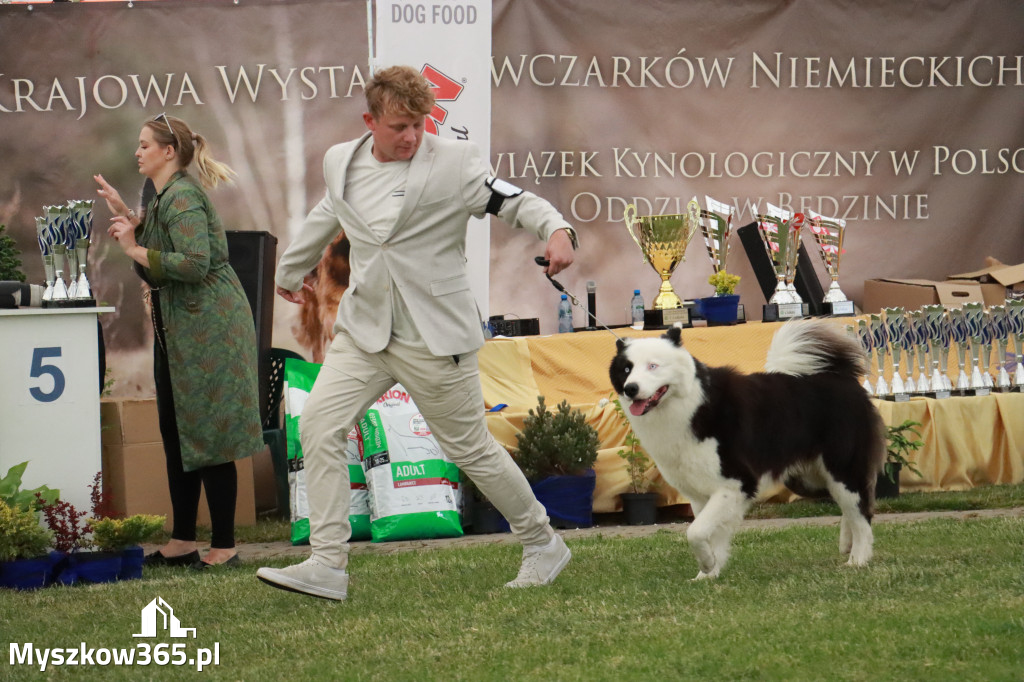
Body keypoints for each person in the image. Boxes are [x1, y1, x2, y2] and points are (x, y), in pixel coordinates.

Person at [256, 65, 578, 600]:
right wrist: (291, 271)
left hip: (433, 337)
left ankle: (542, 541)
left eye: (419, 125)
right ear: (370, 120)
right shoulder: (341, 161)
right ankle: (328, 564)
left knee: (471, 450)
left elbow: (514, 200)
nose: (411, 136)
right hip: (364, 332)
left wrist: (558, 229)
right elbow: (328, 212)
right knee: (318, 425)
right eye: (399, 126)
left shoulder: (454, 163)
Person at [94, 114, 264, 570]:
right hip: (182, 326)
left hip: (209, 326)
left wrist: (132, 247)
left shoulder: (183, 196)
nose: (138, 151)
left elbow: (192, 262)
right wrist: (128, 218)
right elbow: (162, 249)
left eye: (145, 144)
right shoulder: (166, 196)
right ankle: (183, 539)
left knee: (208, 433)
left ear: (169, 152)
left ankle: (224, 545)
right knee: (178, 432)